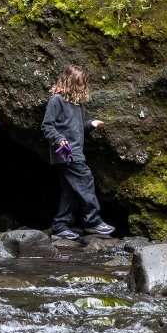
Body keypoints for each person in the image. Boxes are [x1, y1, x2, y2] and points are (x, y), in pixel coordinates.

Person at [41, 65, 114, 239]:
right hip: (65, 151)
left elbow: (76, 128)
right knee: (86, 179)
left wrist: (90, 125)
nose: (82, 88)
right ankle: (93, 221)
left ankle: (60, 226)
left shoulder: (76, 104)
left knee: (71, 190)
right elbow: (47, 126)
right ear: (71, 82)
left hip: (76, 150)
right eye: (80, 84)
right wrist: (59, 140)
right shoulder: (56, 100)